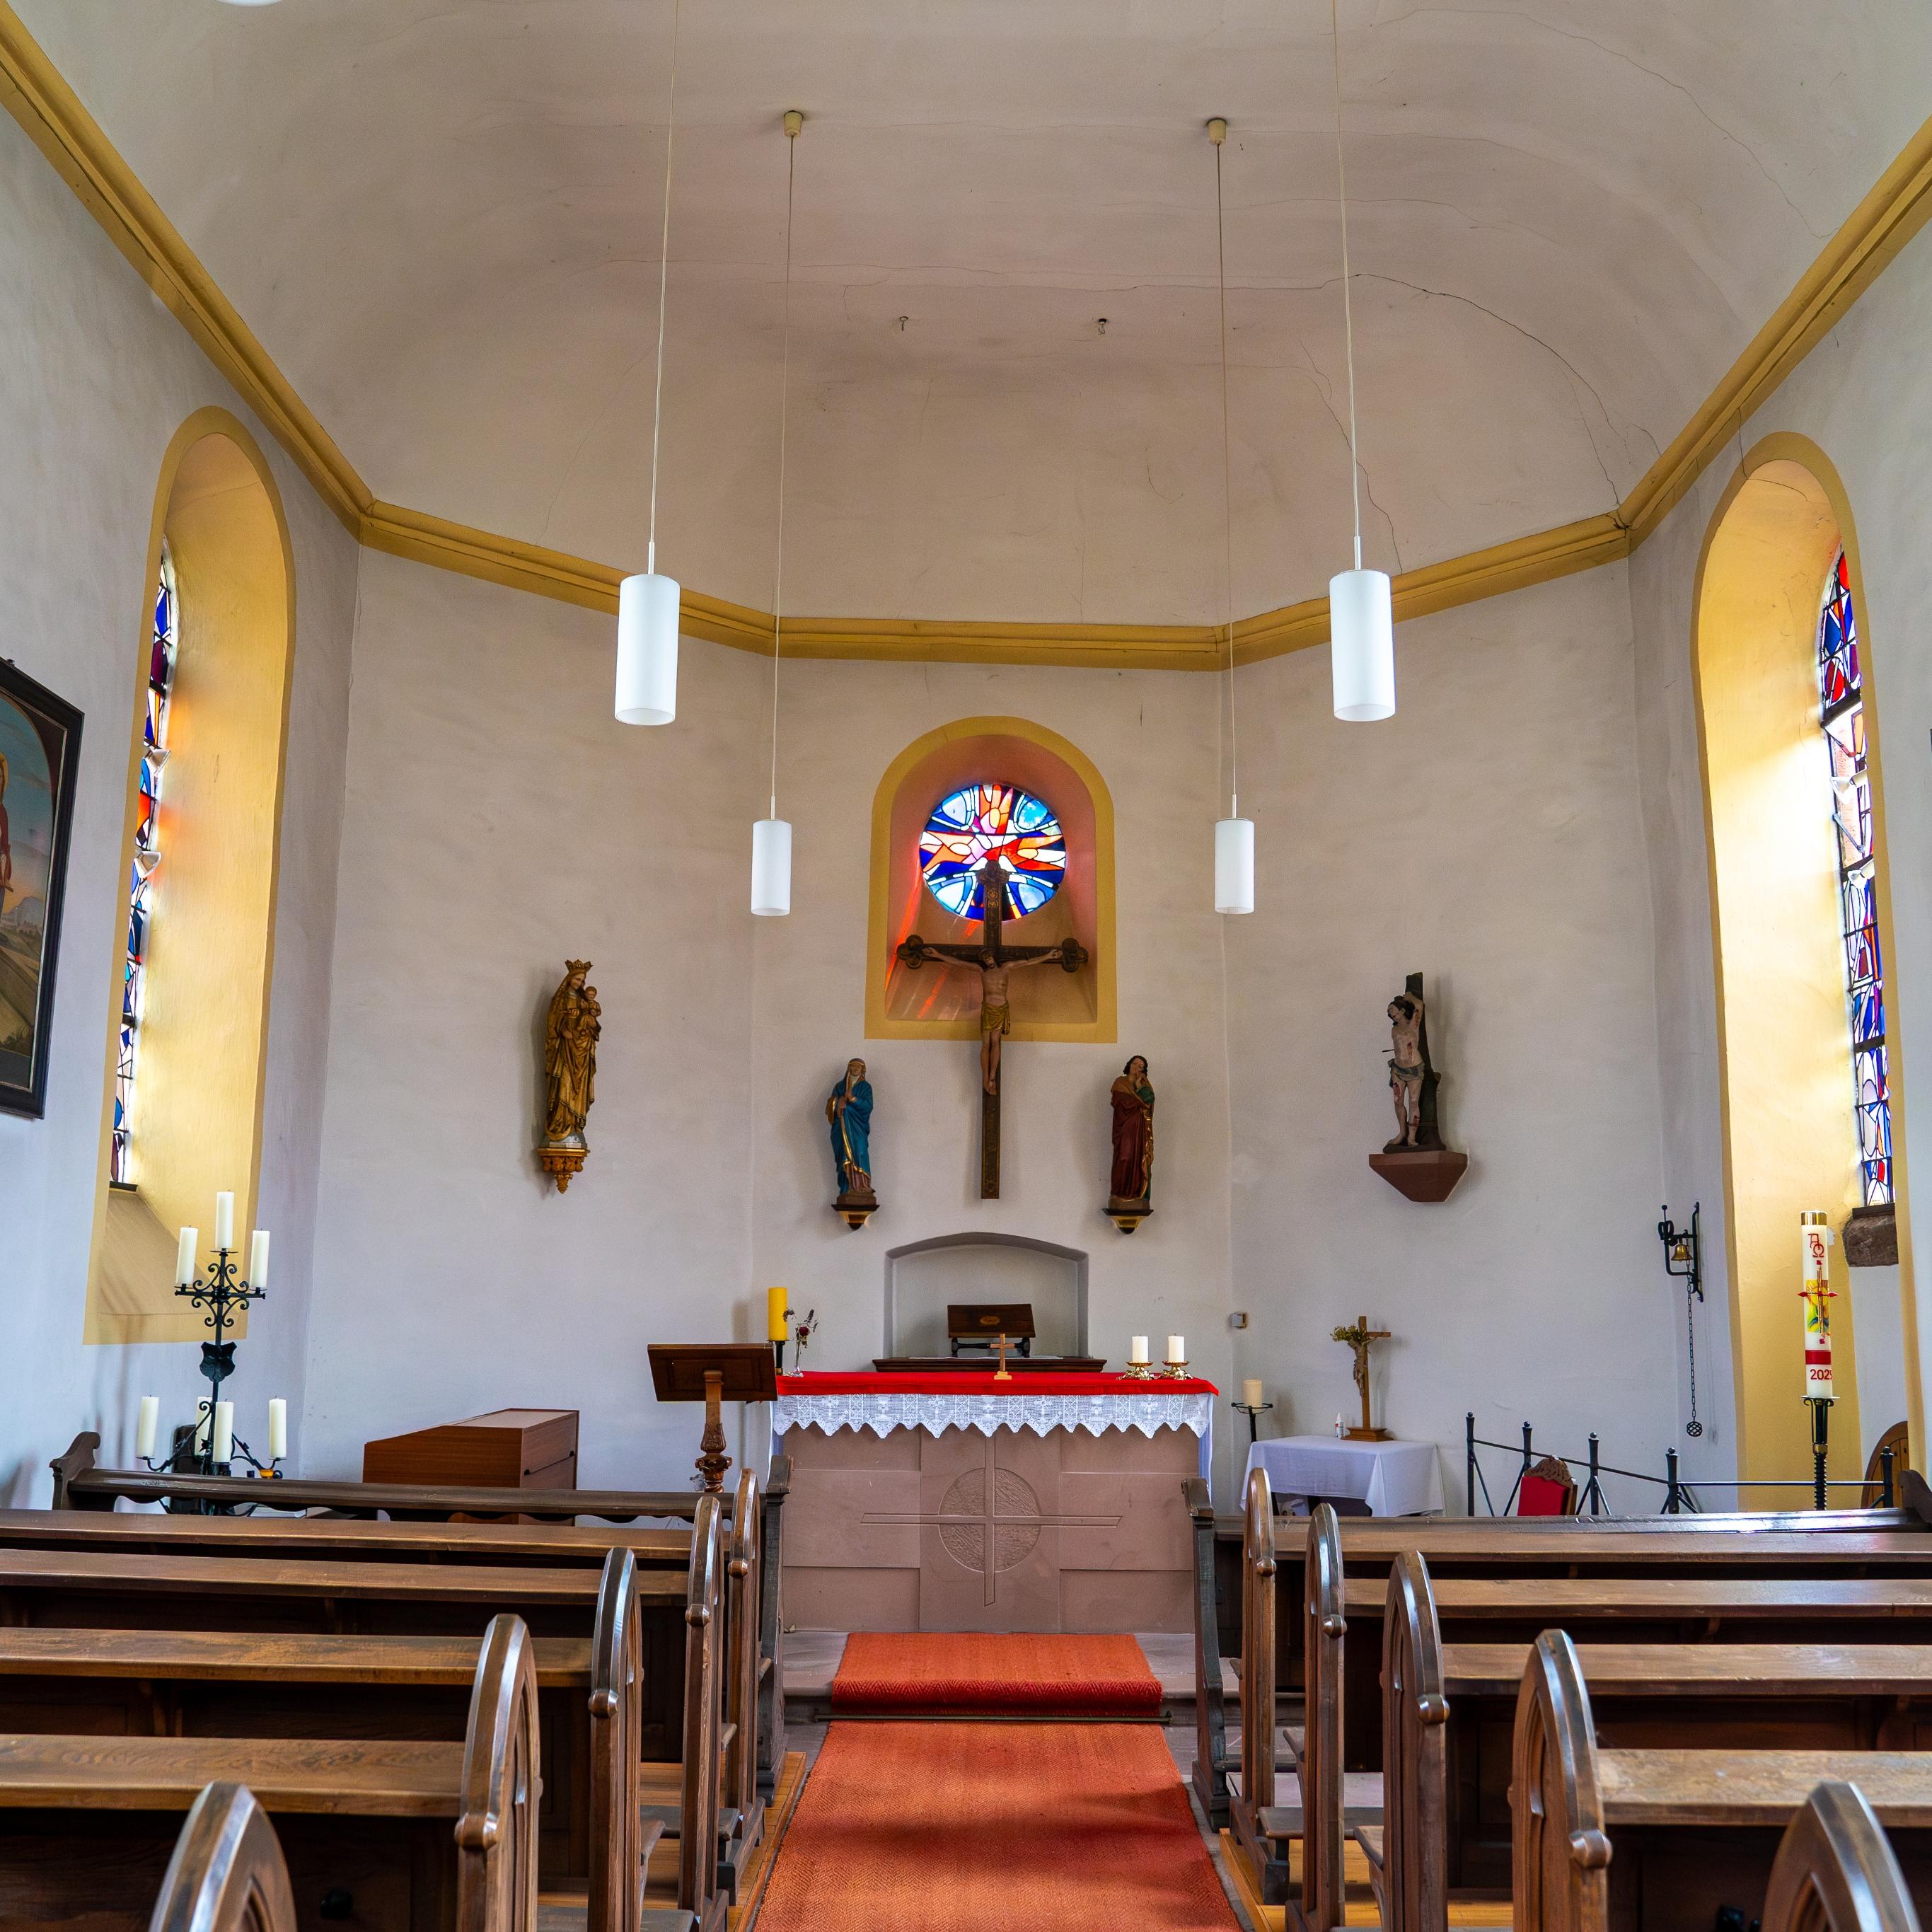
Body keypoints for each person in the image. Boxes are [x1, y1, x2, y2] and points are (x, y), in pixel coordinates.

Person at [543, 961, 600, 1143]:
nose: (578, 982)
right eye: (576, 978)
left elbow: (592, 1021)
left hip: (581, 1048)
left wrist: (590, 1028)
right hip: (565, 1049)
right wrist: (561, 1029)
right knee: (564, 1081)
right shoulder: (560, 999)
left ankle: (575, 1122)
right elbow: (553, 1021)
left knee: (579, 1085)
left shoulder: (585, 1000)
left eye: (581, 980)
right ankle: (560, 1121)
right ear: (569, 978)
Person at [1109, 1055, 1155, 1204]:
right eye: (1135, 1064)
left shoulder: (1144, 1084)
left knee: (1138, 1159)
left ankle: (1137, 1194)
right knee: (1124, 1157)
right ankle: (1118, 1194)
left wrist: (1139, 1087)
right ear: (1129, 1065)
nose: (1137, 1067)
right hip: (1124, 1129)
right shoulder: (1120, 1082)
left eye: (1141, 1066)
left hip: (1139, 1130)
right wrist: (1138, 1102)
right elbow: (1120, 1102)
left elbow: (1149, 1101)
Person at [826, 1057, 874, 1196]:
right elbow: (831, 1107)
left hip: (858, 1127)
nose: (854, 1070)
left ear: (862, 1070)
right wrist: (838, 1102)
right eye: (852, 1067)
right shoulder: (840, 1087)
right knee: (844, 1157)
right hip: (842, 1129)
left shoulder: (866, 1087)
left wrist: (853, 1100)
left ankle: (863, 1186)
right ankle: (848, 1188)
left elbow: (868, 1106)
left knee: (860, 1150)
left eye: (857, 1068)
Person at [1387, 990, 1425, 1149]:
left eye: (1393, 1010)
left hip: (1414, 1069)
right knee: (1398, 1101)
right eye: (1389, 1012)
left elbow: (1419, 1006)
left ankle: (1411, 1137)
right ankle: (1402, 1133)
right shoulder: (1394, 1030)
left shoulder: (1413, 1025)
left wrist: (1411, 998)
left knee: (1414, 1101)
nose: (1391, 1014)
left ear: (1402, 1011)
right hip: (1398, 1070)